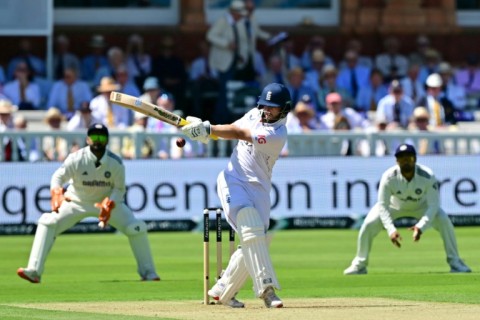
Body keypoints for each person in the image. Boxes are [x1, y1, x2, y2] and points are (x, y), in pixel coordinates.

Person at [181, 83, 291, 308]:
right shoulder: (254, 114)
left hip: (259, 188)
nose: (267, 111)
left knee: (257, 239)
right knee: (251, 229)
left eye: (273, 108)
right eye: (265, 105)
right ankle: (266, 290)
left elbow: (239, 133)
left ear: (284, 109)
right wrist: (203, 130)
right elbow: (232, 127)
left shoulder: (277, 135)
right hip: (233, 181)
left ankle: (223, 289)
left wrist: (208, 129)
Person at [17, 123, 160, 283]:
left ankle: (148, 273)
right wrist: (56, 191)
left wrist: (110, 203)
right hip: (77, 202)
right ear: (87, 139)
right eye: (94, 137)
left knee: (136, 227)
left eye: (101, 137)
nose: (97, 141)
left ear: (107, 140)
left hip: (106, 205)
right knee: (48, 221)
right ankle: (34, 271)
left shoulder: (115, 163)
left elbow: (119, 189)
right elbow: (58, 177)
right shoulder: (76, 158)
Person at [343, 144, 471, 275]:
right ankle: (360, 265)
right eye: (401, 158)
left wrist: (421, 226)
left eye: (408, 158)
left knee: (444, 221)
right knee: (369, 224)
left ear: (414, 159)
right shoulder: (388, 177)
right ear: (396, 161)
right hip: (395, 206)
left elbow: (433, 205)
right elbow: (383, 205)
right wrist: (391, 230)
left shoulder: (427, 175)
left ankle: (455, 262)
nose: (405, 161)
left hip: (422, 206)